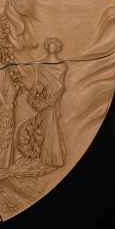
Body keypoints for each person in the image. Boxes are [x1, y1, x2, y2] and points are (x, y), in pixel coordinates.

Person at [18, 37, 67, 167]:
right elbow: (39, 83)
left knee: (51, 126)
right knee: (44, 127)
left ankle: (53, 158)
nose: (51, 46)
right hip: (42, 98)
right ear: (47, 46)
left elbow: (60, 86)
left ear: (58, 47)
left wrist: (51, 99)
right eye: (49, 44)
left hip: (52, 100)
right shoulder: (41, 64)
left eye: (54, 44)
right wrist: (35, 94)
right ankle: (46, 157)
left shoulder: (62, 66)